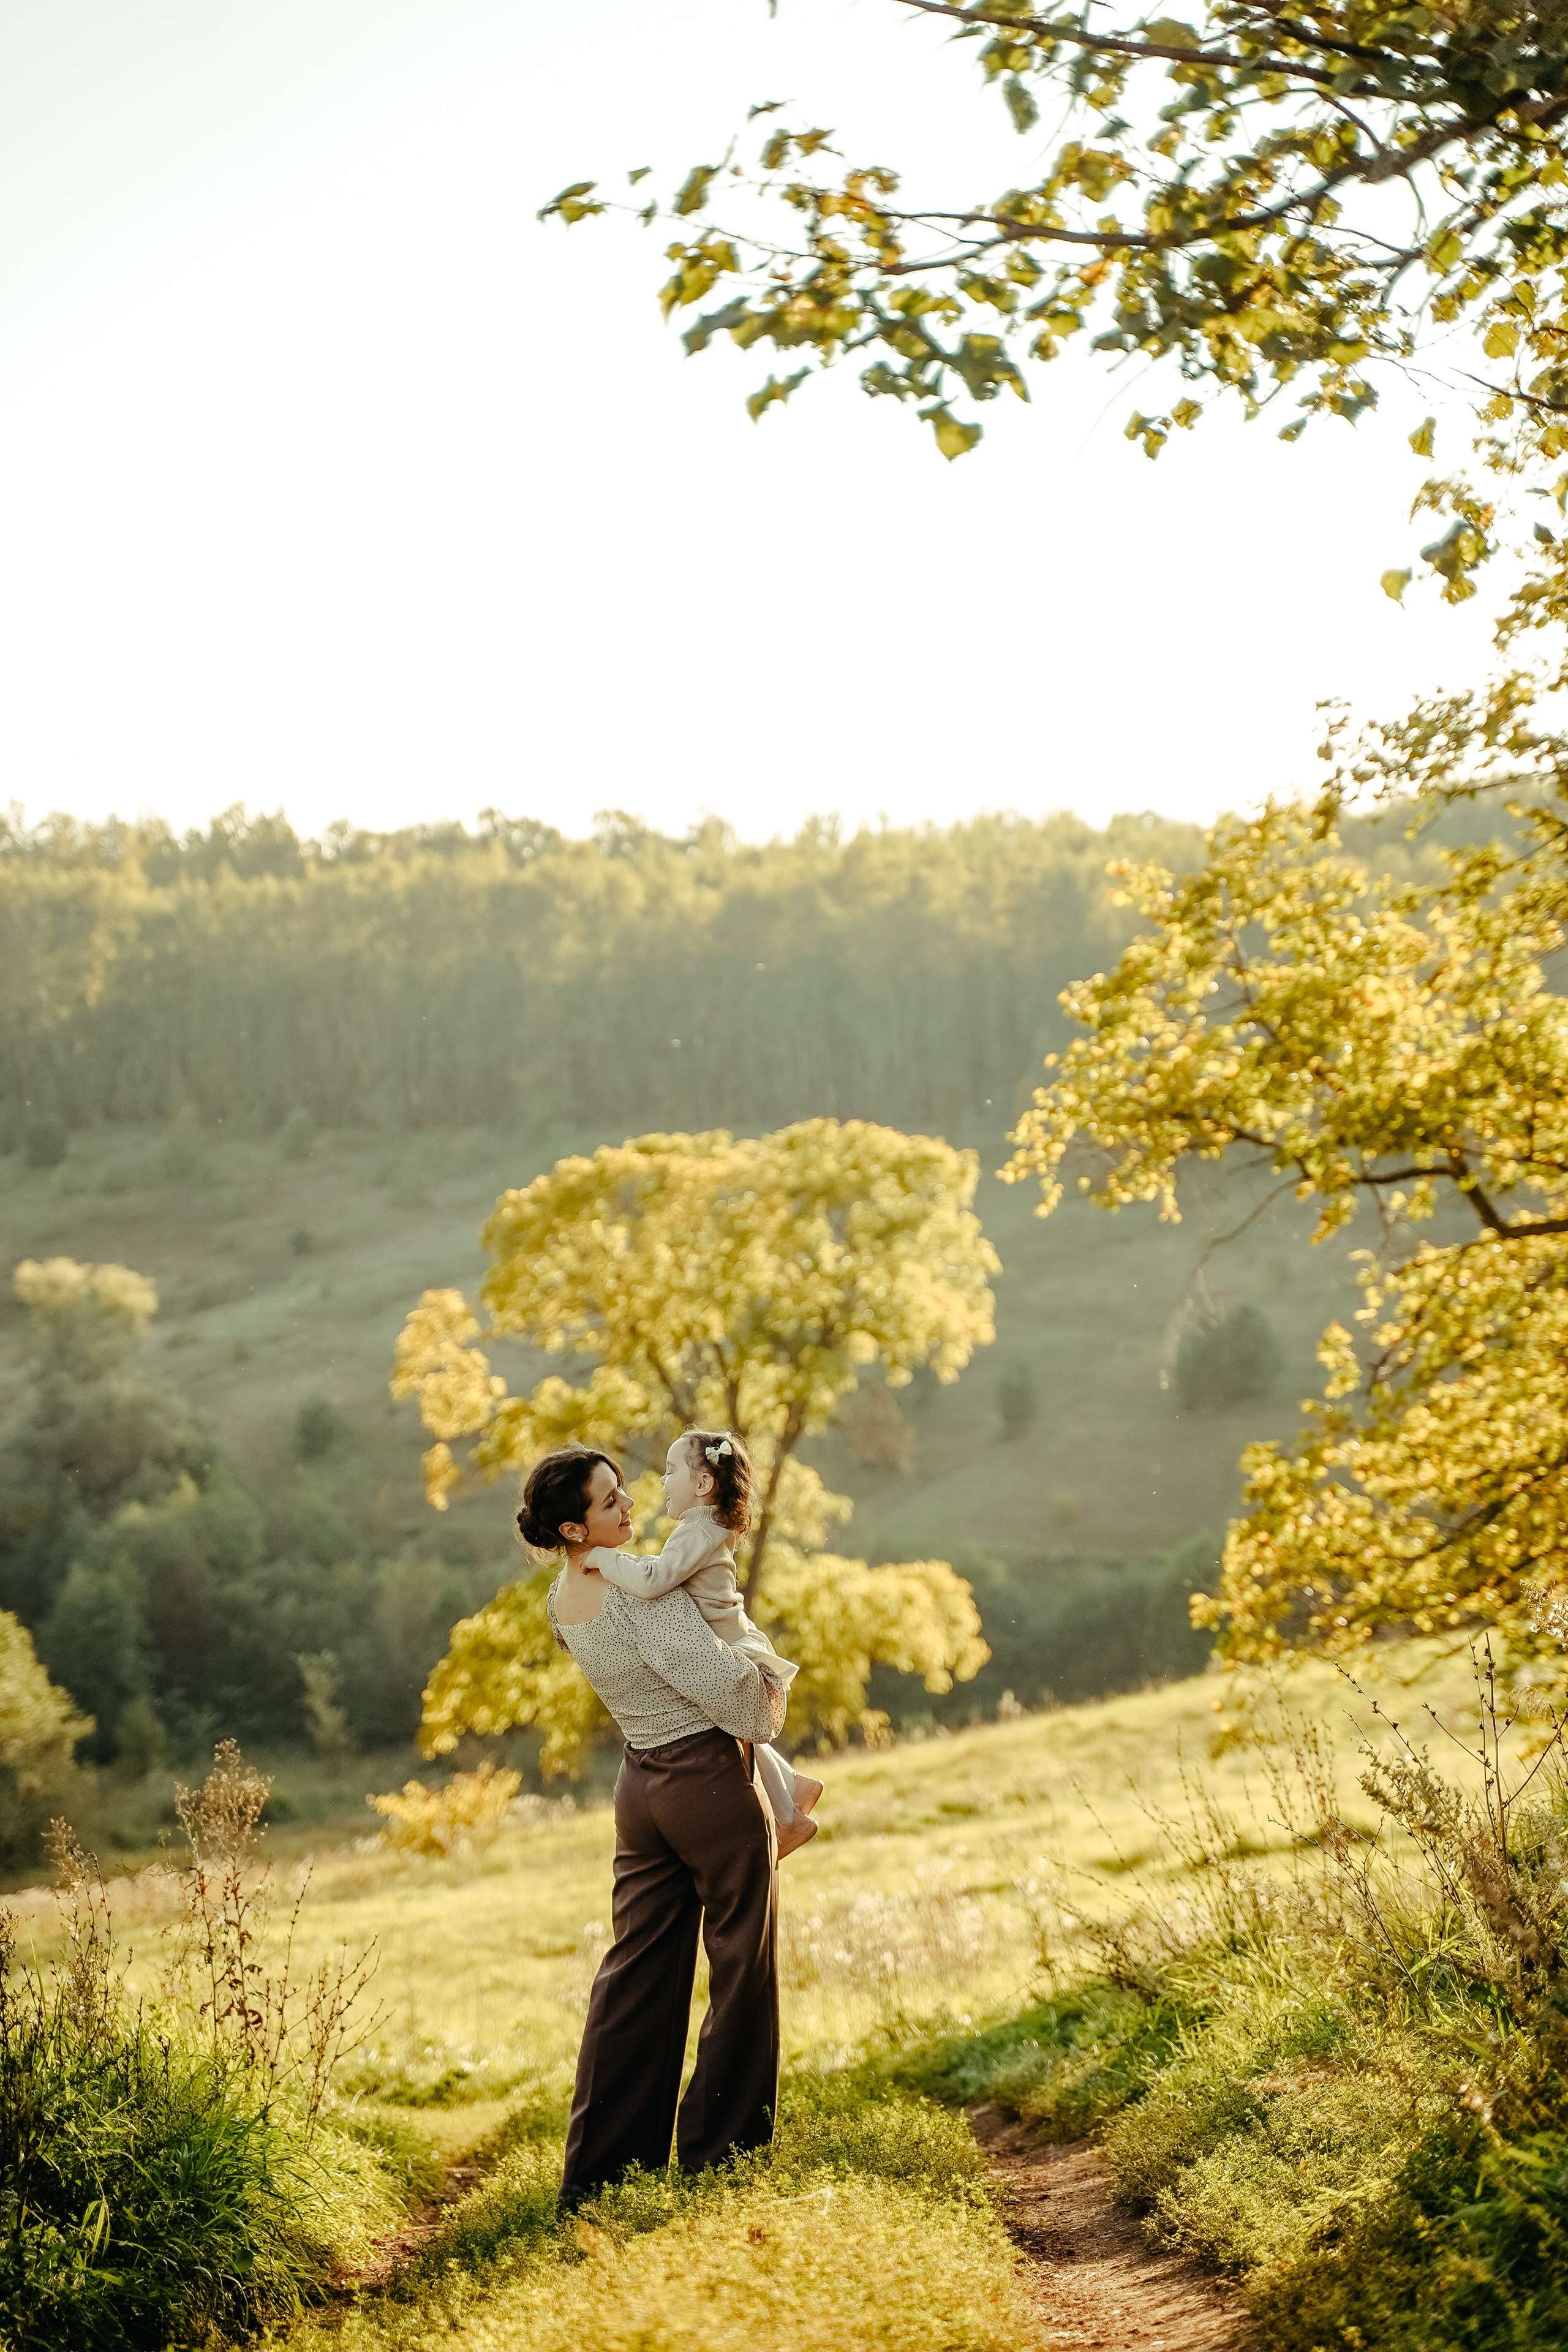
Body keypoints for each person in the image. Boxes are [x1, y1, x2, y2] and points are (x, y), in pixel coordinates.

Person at [529, 1444, 788, 2208]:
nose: (629, 1507)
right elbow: (733, 1699)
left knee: (634, 1977)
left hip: (639, 1789)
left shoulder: (561, 1599)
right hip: (704, 1783)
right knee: (742, 1966)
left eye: (624, 1492)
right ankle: (721, 2161)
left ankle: (600, 2177)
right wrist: (768, 1680)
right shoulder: (638, 1590)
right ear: (573, 1528)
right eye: (610, 1502)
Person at [584, 1428, 823, 1856]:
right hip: (733, 1634)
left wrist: (606, 1559)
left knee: (731, 1724)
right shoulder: (704, 1528)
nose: (662, 1480)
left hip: (731, 1645)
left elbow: (654, 1581)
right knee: (729, 1726)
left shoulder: (698, 1530)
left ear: (702, 1483)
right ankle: (793, 1788)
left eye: (671, 1470)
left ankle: (788, 1817)